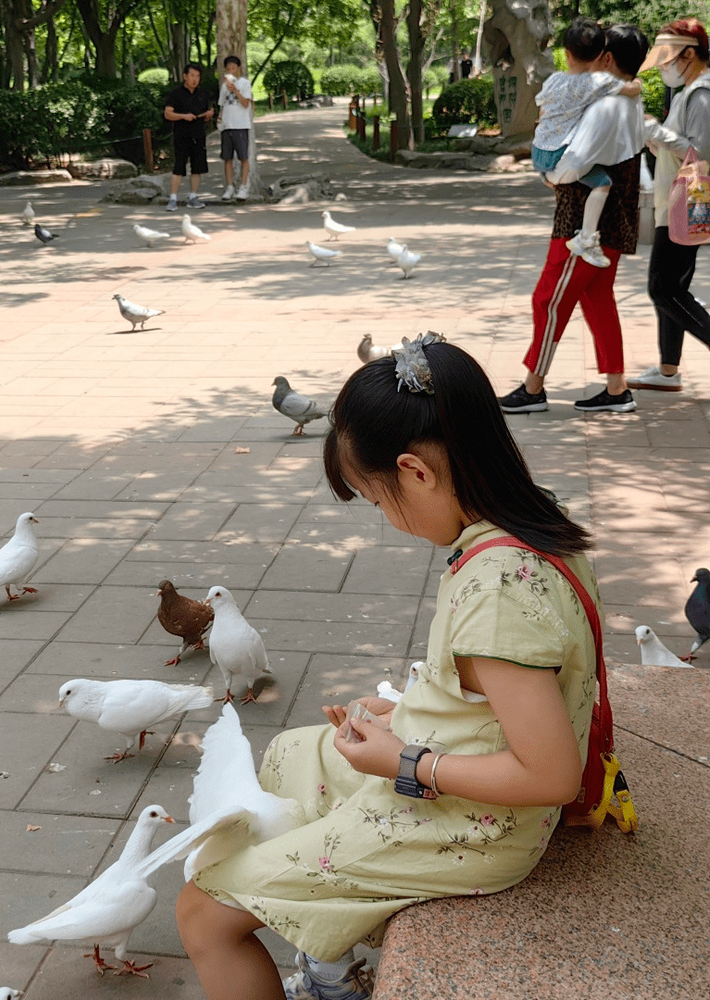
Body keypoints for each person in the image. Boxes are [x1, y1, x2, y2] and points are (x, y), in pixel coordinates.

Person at [177, 337, 600, 1000]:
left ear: (415, 471)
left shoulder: (497, 592)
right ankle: (326, 952)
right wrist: (409, 714)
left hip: (473, 828)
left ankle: (318, 955)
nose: (387, 518)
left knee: (201, 915)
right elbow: (505, 689)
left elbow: (550, 775)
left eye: (378, 501)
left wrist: (406, 760)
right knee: (291, 755)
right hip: (462, 786)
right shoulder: (535, 522)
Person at [498, 24, 649, 415]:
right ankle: (616, 388)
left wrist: (551, 176)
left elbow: (577, 159)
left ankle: (533, 387)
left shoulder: (605, 106)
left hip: (582, 224)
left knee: (548, 299)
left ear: (606, 58)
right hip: (614, 217)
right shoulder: (630, 100)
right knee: (597, 299)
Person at [626, 18, 710, 393]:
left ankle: (669, 368)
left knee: (663, 289)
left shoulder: (701, 94)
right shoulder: (689, 92)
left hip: (683, 205)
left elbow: (700, 153)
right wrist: (655, 137)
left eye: (668, 57)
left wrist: (656, 132)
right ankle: (667, 369)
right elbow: (678, 148)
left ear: (689, 54)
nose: (663, 65)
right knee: (672, 287)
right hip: (675, 204)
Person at [531, 19, 642, 268]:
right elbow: (630, 89)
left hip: (539, 152)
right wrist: (638, 84)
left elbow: (542, 111)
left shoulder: (554, 80)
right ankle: (587, 238)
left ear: (566, 54)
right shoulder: (597, 84)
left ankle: (545, 173)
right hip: (560, 160)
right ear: (602, 56)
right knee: (602, 183)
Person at [164, 63, 215, 211]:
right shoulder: (176, 93)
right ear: (185, 76)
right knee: (179, 167)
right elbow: (168, 114)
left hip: (198, 135)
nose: (195, 79)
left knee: (197, 168)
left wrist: (208, 115)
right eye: (192, 76)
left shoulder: (202, 94)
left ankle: (193, 197)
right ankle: (173, 198)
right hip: (181, 135)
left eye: (197, 76)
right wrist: (183, 116)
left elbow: (206, 116)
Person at [218, 55, 254, 201]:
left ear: (239, 68)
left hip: (241, 125)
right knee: (227, 158)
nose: (231, 71)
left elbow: (246, 104)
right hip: (227, 126)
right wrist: (220, 120)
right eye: (228, 69)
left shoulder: (245, 83)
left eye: (233, 68)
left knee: (243, 157)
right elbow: (222, 105)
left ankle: (243, 187)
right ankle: (229, 187)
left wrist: (235, 90)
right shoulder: (223, 86)